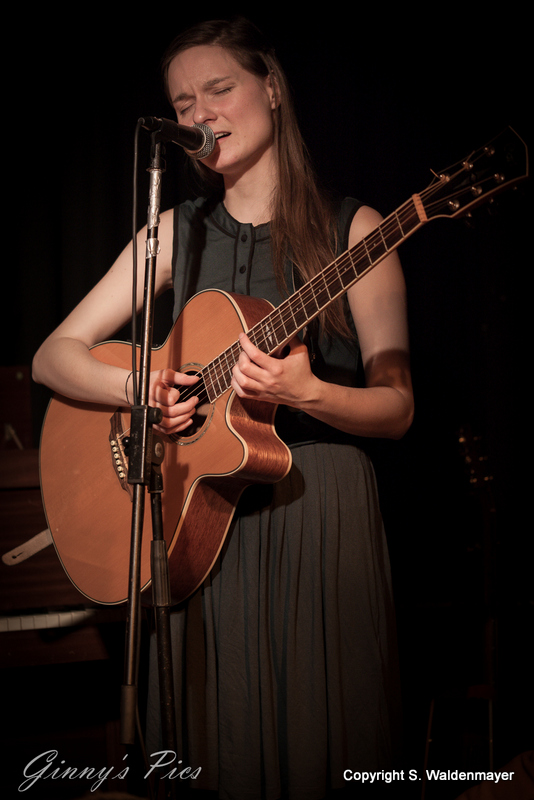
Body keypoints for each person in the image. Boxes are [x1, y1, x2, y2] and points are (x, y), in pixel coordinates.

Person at [32, 17, 414, 799]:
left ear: (271, 88)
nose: (200, 113)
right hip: (197, 520)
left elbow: (398, 409)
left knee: (322, 750)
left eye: (219, 88)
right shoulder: (176, 232)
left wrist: (308, 393)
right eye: (183, 103)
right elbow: (53, 356)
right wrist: (143, 389)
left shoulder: (358, 230)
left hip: (316, 509)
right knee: (216, 751)